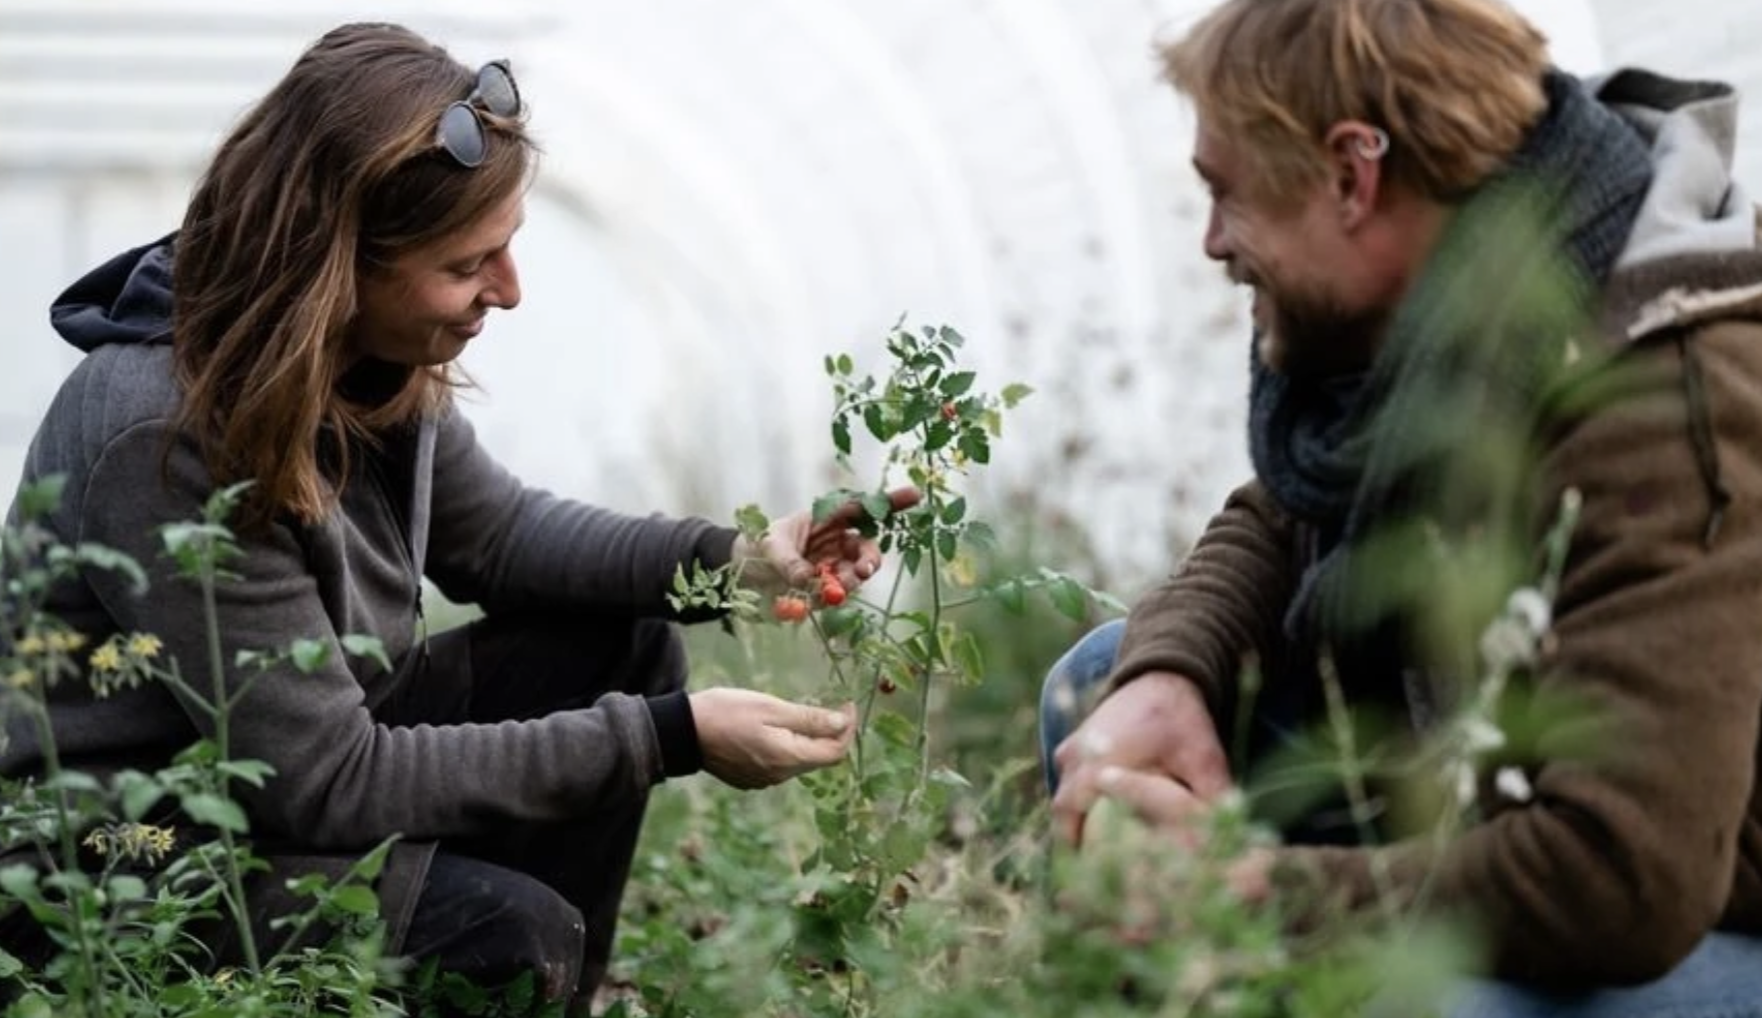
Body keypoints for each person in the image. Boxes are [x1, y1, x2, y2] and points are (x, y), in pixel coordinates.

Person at [0, 22, 914, 1012]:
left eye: (507, 246)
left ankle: (551, 988)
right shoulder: (163, 433)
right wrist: (669, 738)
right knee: (500, 939)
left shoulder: (363, 358)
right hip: (121, 871)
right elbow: (329, 779)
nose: (509, 292)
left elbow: (501, 538)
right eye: (469, 263)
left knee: (623, 646)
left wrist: (739, 562)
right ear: (341, 263)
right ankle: (514, 967)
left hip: (272, 782)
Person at [1042, 0, 1762, 1014]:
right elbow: (1287, 509)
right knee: (1101, 686)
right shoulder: (1449, 283)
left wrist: (1254, 891)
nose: (1210, 242)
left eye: (1226, 193)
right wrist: (1166, 674)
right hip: (1499, 791)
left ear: (1352, 174)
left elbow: (1622, 879)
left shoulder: (1657, 385)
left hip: (1698, 905)